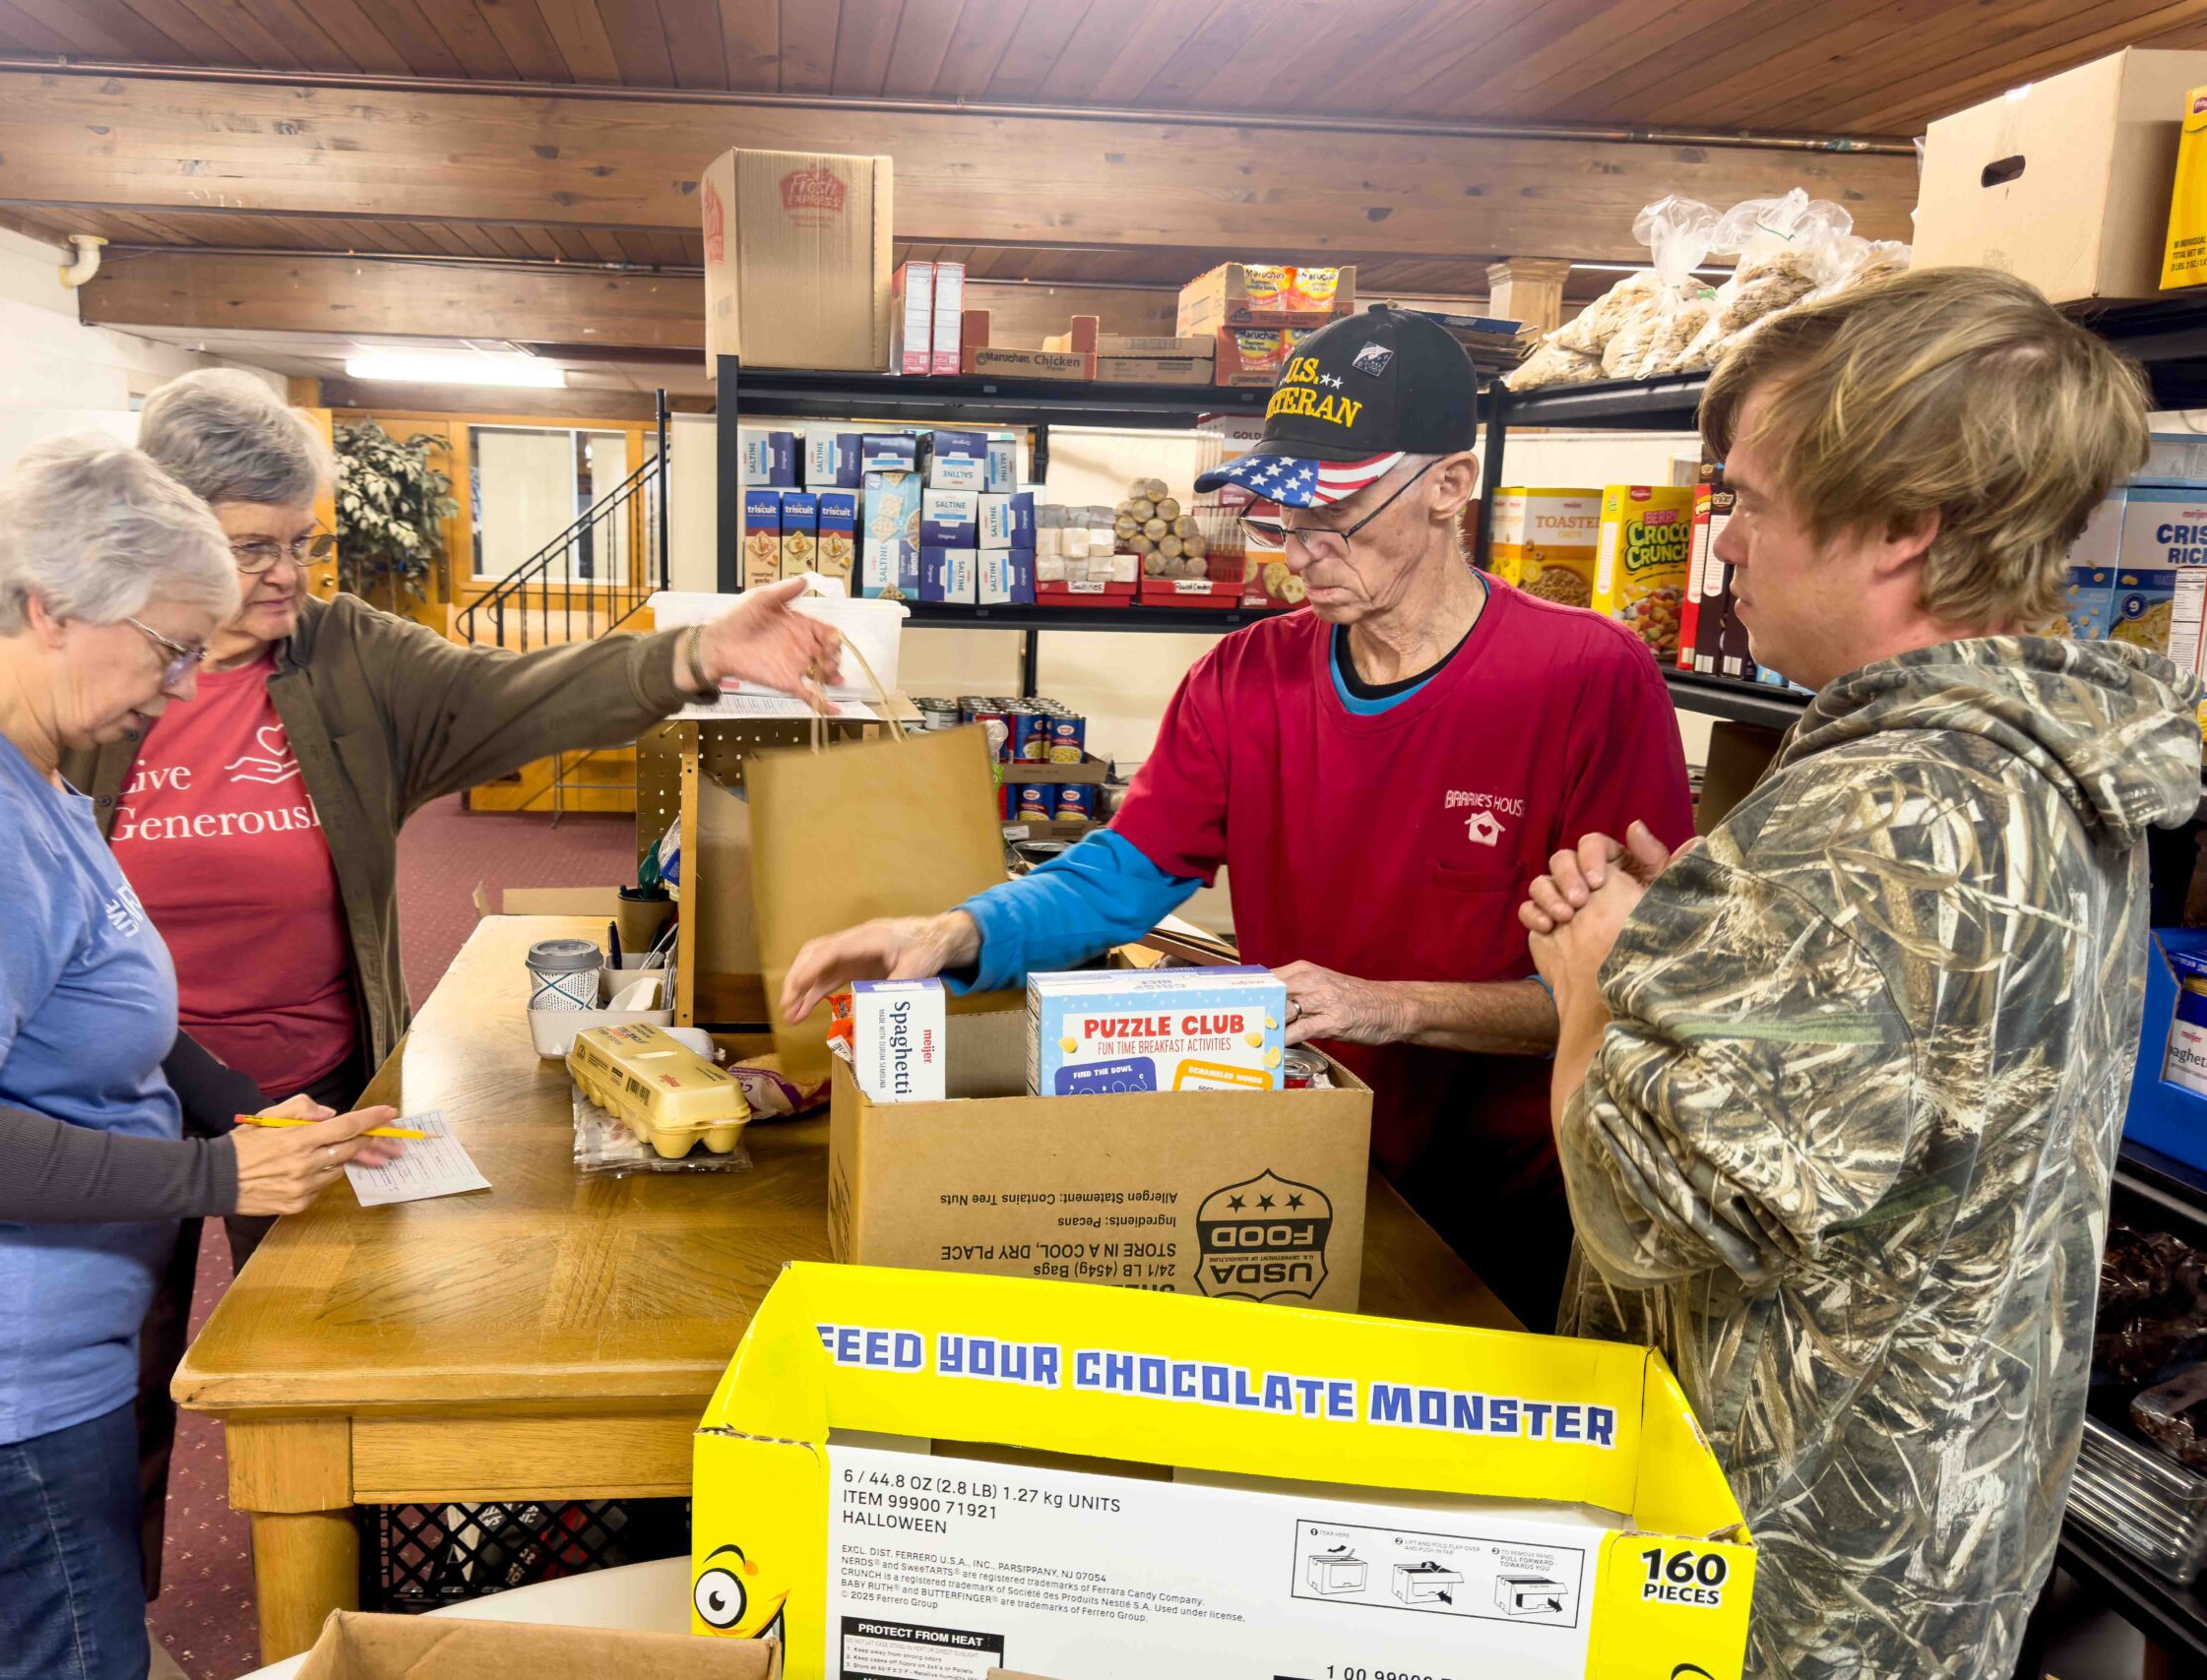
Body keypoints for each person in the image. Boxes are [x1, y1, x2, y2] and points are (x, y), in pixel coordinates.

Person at [60, 369, 844, 1600]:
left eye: (304, 542)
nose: (288, 574)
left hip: (308, 1082)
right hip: (110, 1093)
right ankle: (109, 1621)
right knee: (104, 1371)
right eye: (253, 547)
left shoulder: (343, 656)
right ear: (163, 531)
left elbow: (508, 697)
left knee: (323, 1354)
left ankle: (350, 1600)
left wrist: (693, 655)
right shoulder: (90, 670)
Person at [1520, 267, 2202, 1677]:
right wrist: (1714, 949)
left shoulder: (1879, 813)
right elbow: (1895, 1087)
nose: (1723, 543)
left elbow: (1656, 1216)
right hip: (1932, 1553)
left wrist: (1595, 979)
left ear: (1903, 524)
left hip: (1773, 1589)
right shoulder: (2038, 759)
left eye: (1749, 501)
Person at [781, 307, 1692, 1327]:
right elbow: (1123, 871)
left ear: (1448, 486)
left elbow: (1629, 994)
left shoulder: (1588, 679)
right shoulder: (1243, 677)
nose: (1298, 552)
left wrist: (1389, 1007)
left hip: (1505, 1206)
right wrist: (956, 931)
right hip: (1294, 1163)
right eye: (1279, 517)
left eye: (1332, 514)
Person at [0, 436, 406, 1680]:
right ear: (49, 608)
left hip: (34, 1342)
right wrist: (215, 1178)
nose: (180, 690)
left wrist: (246, 1110)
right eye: (170, 648)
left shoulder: (23, 765)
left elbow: (103, 998)